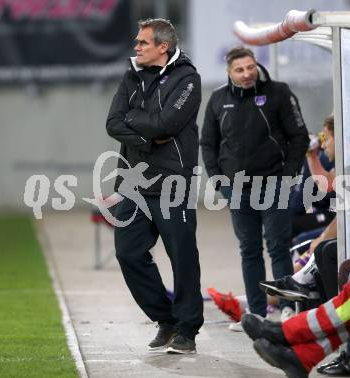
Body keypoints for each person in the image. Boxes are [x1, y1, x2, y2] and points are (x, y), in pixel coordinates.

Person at [106, 18, 203, 354]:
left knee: (182, 257)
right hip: (134, 182)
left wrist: (135, 121)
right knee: (127, 252)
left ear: (163, 46)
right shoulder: (131, 75)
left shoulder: (188, 78)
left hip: (173, 181)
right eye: (137, 42)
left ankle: (187, 330)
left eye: (143, 43)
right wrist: (149, 137)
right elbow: (113, 123)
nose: (136, 47)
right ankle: (166, 318)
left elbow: (170, 122)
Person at [201, 46, 310, 325]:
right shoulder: (217, 99)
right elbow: (208, 144)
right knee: (249, 250)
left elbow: (298, 137)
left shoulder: (279, 93)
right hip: (237, 189)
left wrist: (288, 176)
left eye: (250, 67)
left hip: (275, 185)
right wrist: (219, 182)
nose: (247, 73)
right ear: (229, 73)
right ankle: (258, 311)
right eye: (240, 70)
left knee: (277, 247)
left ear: (256, 66)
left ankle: (287, 306)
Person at [259, 115, 337, 302]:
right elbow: (326, 185)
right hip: (330, 217)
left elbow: (309, 199)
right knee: (314, 243)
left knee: (319, 247)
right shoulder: (338, 158)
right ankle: (291, 287)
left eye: (327, 139)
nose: (324, 145)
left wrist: (323, 237)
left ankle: (290, 292)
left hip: (328, 215)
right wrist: (311, 156)